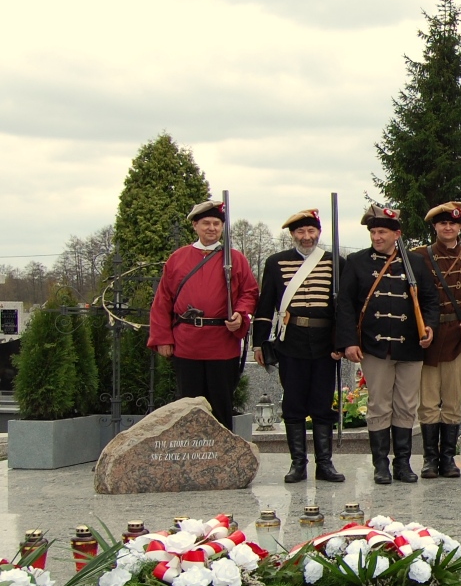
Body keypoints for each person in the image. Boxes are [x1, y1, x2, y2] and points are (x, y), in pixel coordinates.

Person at [335, 204, 438, 485]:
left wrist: (429, 327)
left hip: (410, 347)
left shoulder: (414, 263)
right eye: (373, 232)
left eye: (382, 232)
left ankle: (402, 464)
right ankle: (381, 464)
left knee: (406, 405)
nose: (377, 237)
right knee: (379, 405)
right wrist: (349, 343)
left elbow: (430, 301)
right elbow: (345, 305)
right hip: (374, 346)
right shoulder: (357, 262)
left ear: (397, 234)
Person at [149, 199, 259, 432]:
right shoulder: (178, 258)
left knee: (221, 404)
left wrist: (240, 314)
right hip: (187, 342)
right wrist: (163, 339)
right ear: (195, 226)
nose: (211, 228)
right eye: (206, 223)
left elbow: (249, 292)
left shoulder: (235, 259)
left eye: (216, 224)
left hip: (222, 342)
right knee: (189, 406)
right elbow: (163, 300)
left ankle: (221, 459)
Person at [252, 208, 344, 483]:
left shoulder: (334, 262)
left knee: (322, 403)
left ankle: (325, 464)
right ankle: (297, 464)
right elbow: (265, 304)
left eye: (311, 231)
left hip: (325, 343)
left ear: (319, 232)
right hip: (290, 342)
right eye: (301, 232)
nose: (307, 237)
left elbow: (344, 308)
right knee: (293, 403)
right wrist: (258, 342)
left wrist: (341, 342)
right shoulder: (276, 262)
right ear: (292, 235)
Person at [412, 202, 461, 479]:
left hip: (458, 337)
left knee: (454, 401)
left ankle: (448, 459)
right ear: (435, 227)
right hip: (429, 339)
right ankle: (430, 459)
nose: (448, 227)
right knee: (428, 402)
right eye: (442, 223)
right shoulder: (419, 256)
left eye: (453, 223)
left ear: (460, 227)